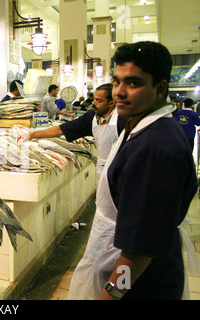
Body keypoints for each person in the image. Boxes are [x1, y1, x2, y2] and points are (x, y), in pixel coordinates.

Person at [69, 41, 198, 300]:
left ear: (160, 88)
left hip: (138, 281)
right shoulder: (140, 125)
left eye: (133, 83)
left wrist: (112, 294)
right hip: (115, 257)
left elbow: (139, 255)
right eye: (117, 81)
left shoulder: (156, 148)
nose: (119, 92)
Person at [21, 83, 127, 183]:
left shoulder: (124, 120)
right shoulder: (92, 117)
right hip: (102, 170)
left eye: (99, 101)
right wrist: (32, 135)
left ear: (111, 103)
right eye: (94, 99)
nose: (93, 103)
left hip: (121, 171)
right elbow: (62, 129)